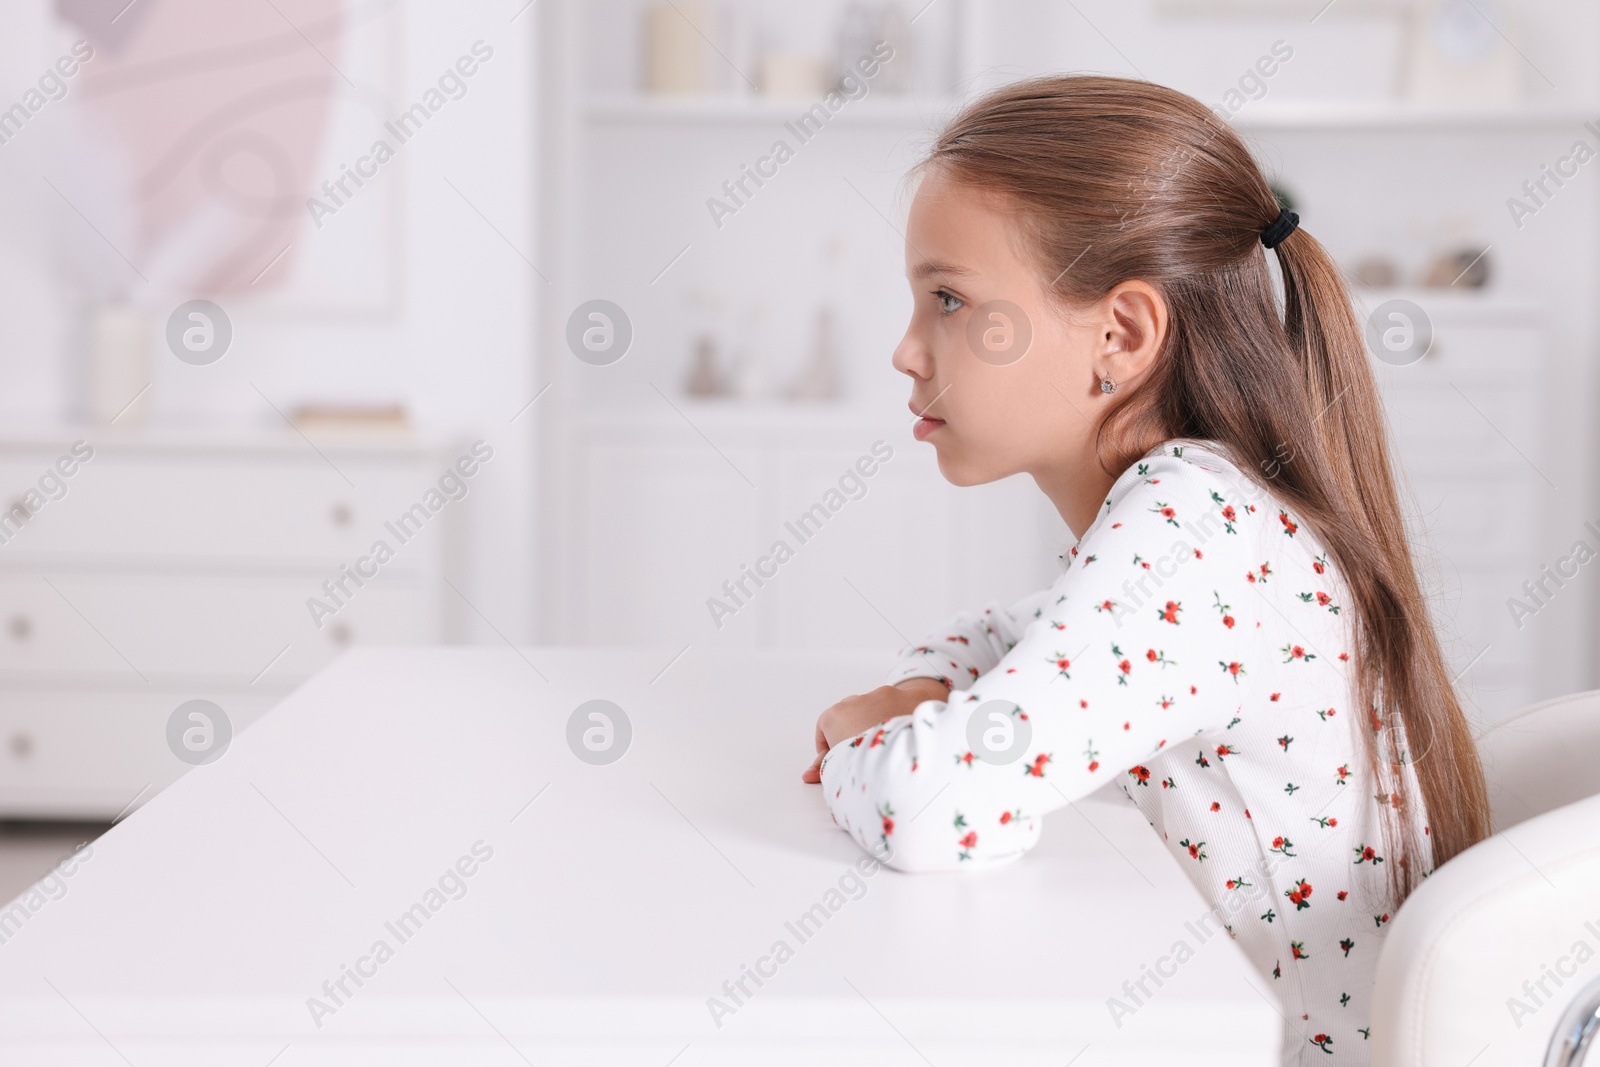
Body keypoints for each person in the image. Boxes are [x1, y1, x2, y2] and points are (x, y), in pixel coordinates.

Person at [801, 74, 1490, 1066]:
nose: (905, 352)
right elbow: (1018, 634)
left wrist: (865, 729)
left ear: (1119, 337)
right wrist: (921, 685)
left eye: (949, 300)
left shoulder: (1191, 529)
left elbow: (927, 804)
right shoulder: (1205, 508)